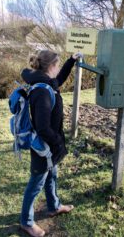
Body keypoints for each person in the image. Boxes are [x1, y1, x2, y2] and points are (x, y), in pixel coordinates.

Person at [20, 50, 81, 237]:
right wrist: (58, 144)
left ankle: (54, 206)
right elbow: (43, 127)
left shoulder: (46, 82)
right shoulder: (41, 91)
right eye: (58, 64)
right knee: (36, 183)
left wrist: (71, 61)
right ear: (51, 67)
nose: (58, 68)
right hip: (43, 146)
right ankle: (26, 222)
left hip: (49, 146)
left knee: (52, 175)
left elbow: (59, 79)